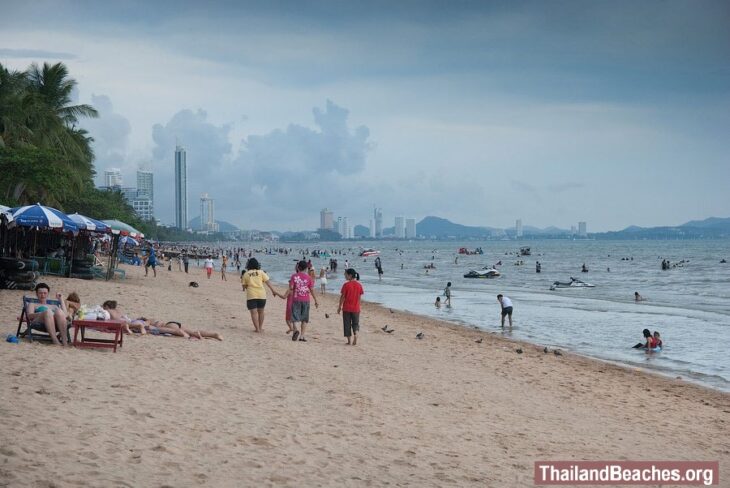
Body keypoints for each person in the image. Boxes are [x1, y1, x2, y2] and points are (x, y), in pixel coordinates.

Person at [241, 258, 281, 333]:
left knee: (253, 313)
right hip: (262, 295)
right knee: (261, 312)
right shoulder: (261, 272)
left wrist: (248, 286)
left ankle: (257, 329)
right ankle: (260, 327)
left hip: (251, 295)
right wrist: (273, 291)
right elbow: (268, 282)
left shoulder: (246, 274)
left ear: (248, 265)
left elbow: (244, 287)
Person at [289, 260, 318, 342]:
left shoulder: (294, 276)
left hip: (296, 299)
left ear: (298, 267)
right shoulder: (309, 278)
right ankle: (302, 336)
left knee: (294, 317)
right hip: (306, 300)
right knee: (304, 318)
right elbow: (311, 290)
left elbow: (291, 288)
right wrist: (316, 300)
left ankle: (296, 329)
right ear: (306, 268)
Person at [338, 268, 364, 345]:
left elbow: (342, 297)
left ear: (350, 275)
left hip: (347, 308)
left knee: (347, 324)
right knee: (355, 324)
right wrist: (358, 306)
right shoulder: (359, 285)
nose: (344, 275)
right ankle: (356, 334)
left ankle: (349, 341)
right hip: (356, 308)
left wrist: (339, 307)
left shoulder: (346, 285)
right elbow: (359, 298)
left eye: (345, 274)